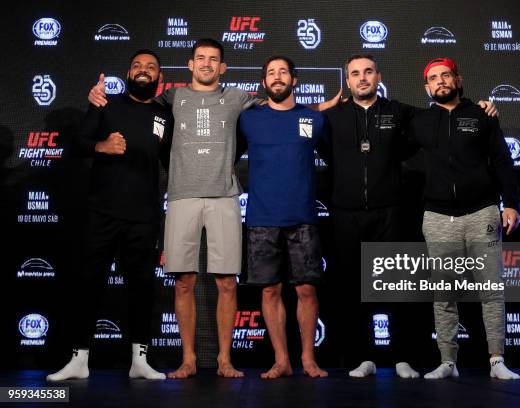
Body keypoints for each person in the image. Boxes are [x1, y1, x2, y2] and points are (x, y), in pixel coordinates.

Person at [88, 39, 340, 379]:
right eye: (201, 59)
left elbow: (281, 108)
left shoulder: (238, 99)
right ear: (190, 65)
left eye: (214, 60)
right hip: (181, 197)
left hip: (224, 197)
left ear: (223, 68)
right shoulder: (170, 99)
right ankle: (188, 359)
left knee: (227, 284)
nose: (207, 64)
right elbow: (137, 100)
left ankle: (224, 360)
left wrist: (319, 108)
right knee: (183, 283)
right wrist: (99, 101)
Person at [323, 54, 498, 378]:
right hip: (346, 214)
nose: (362, 78)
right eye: (355, 74)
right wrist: (316, 109)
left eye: (368, 72)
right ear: (347, 81)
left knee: (396, 287)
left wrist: (480, 107)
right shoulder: (332, 117)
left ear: (378, 76)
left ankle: (403, 357)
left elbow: (444, 113)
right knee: (352, 289)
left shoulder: (400, 112)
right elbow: (300, 125)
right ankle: (364, 358)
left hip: (390, 211)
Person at [47, 50, 172, 381]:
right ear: (128, 73)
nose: (143, 71)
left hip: (144, 215)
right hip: (101, 212)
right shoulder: (107, 103)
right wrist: (102, 146)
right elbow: (77, 144)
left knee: (142, 286)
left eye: (150, 67)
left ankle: (140, 360)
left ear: (160, 77)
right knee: (88, 283)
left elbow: (174, 163)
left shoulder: (165, 116)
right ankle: (79, 359)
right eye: (137, 66)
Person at [411, 57, 520, 380]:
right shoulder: (418, 121)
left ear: (458, 80)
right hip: (437, 217)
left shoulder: (481, 115)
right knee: (443, 293)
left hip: (482, 212)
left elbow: (502, 160)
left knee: (491, 289)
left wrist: (511, 203)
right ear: (427, 86)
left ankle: (497, 360)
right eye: (434, 78)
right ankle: (448, 362)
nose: (440, 81)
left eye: (446, 75)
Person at [238, 56, 328, 379]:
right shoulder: (248, 119)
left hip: (303, 217)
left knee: (306, 291)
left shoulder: (313, 119)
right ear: (264, 83)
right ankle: (281, 360)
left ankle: (308, 359)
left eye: (283, 72)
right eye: (271, 73)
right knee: (269, 291)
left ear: (295, 79)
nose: (277, 78)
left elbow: (336, 158)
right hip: (262, 218)